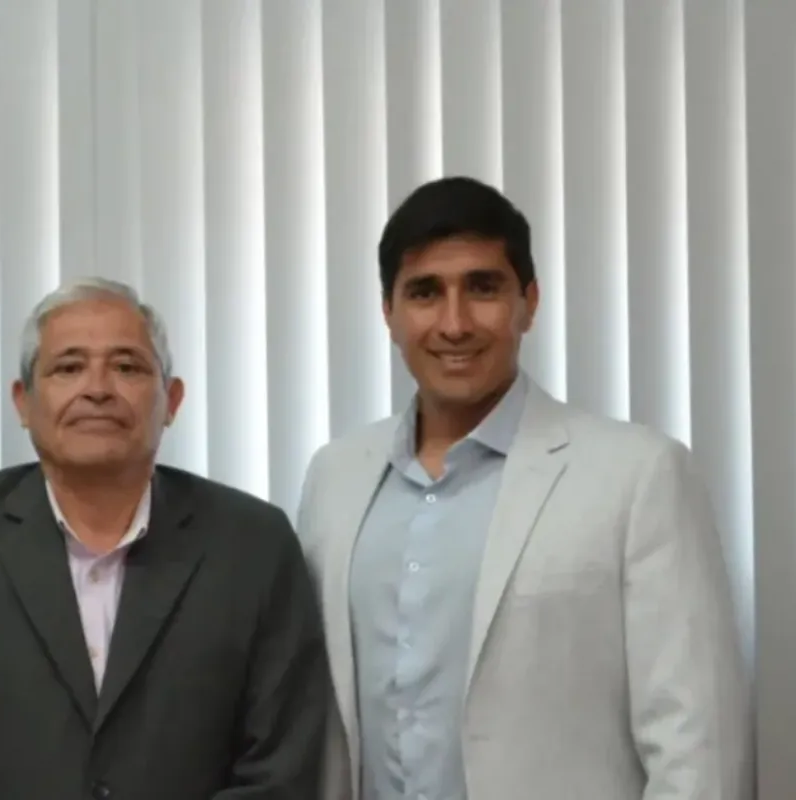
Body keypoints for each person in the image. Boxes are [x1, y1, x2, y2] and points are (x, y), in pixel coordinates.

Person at [296, 176, 753, 800]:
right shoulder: (334, 478)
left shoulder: (637, 475)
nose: (454, 323)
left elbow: (697, 740)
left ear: (528, 303)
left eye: (483, 288)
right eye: (425, 292)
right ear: (389, 314)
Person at [0, 277, 328, 799]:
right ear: (23, 402)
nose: (98, 389)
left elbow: (282, 763)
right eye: (68, 367)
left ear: (171, 400)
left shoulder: (253, 545)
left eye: (127, 366)